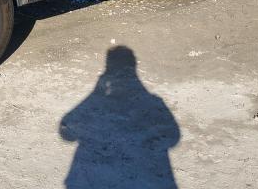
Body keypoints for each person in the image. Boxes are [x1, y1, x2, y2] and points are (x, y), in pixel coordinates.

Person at [60, 46, 180, 188]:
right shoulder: (153, 102)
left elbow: (67, 131)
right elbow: (173, 137)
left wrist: (96, 92)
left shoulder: (149, 102)